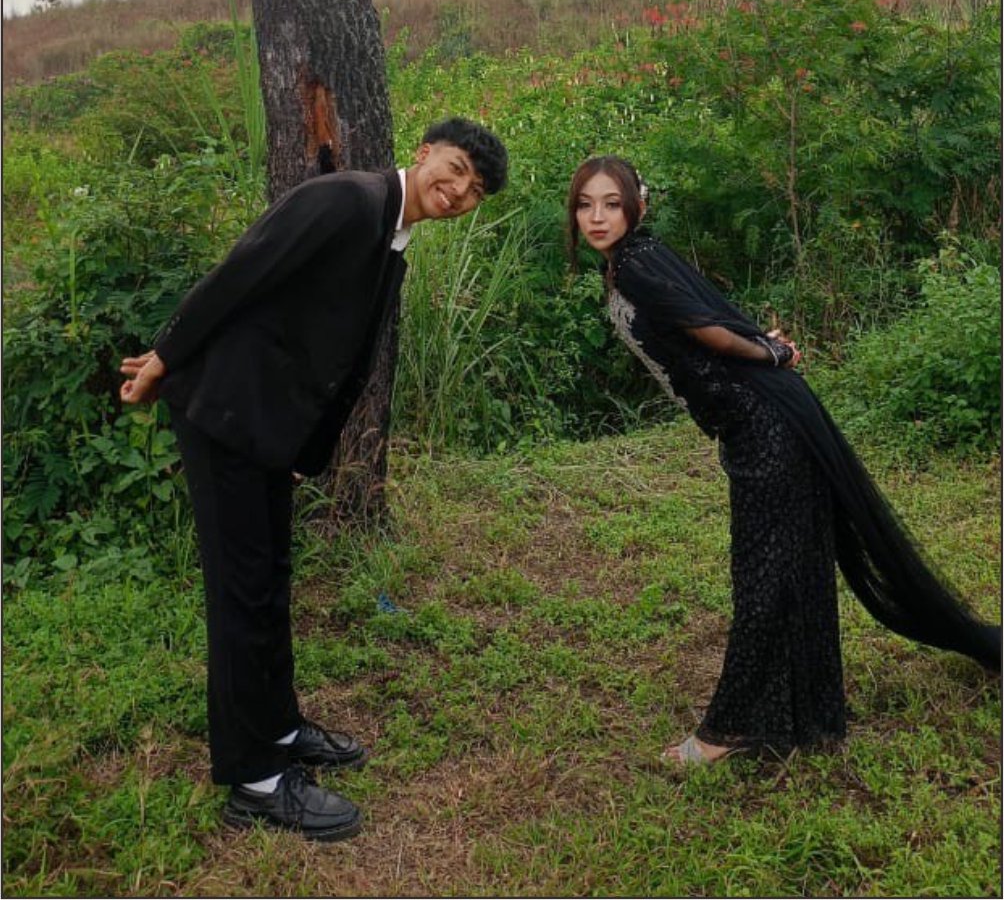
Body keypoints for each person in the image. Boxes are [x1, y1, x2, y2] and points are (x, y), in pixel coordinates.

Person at [120, 118, 507, 840]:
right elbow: (241, 272)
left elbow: (344, 356)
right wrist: (164, 359)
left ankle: (280, 728)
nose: (458, 192)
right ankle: (255, 780)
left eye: (475, 190)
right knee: (241, 592)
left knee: (270, 579)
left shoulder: (391, 232)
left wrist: (310, 449)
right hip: (226, 413)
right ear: (424, 154)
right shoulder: (346, 200)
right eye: (455, 170)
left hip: (268, 428)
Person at [568, 155, 999, 767]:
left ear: (637, 206)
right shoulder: (637, 258)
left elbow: (708, 329)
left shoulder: (636, 263)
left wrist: (768, 353)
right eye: (585, 205)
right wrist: (761, 345)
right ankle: (811, 720)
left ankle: (726, 733)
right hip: (757, 423)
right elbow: (708, 314)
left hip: (764, 428)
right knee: (794, 569)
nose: (597, 217)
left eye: (611, 204)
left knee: (763, 577)